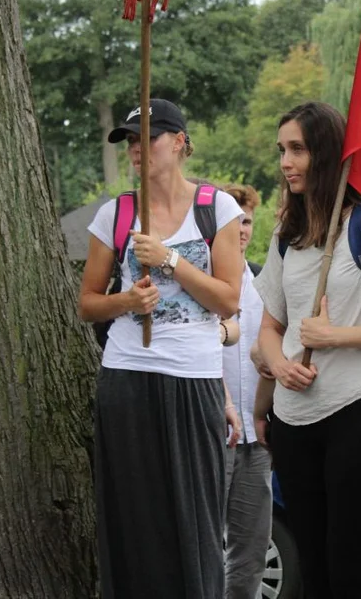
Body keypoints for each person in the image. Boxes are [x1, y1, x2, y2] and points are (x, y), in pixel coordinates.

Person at [253, 102, 361, 599]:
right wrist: (281, 364)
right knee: (315, 572)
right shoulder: (285, 235)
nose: (286, 162)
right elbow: (270, 327)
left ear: (327, 153)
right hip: (293, 419)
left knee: (350, 570)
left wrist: (337, 337)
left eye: (298, 149)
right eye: (282, 150)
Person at [78, 98, 244, 598]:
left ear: (178, 142)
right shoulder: (117, 213)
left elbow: (230, 301)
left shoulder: (217, 208)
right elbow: (87, 304)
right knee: (134, 515)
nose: (136, 149)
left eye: (146, 138)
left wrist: (170, 259)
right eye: (129, 141)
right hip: (127, 375)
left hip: (193, 377)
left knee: (195, 513)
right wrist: (126, 299)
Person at [220, 182, 271, 599]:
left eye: (247, 220)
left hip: (257, 436)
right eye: (232, 219)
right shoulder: (199, 282)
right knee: (204, 540)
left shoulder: (263, 281)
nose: (241, 228)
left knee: (252, 547)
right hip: (213, 431)